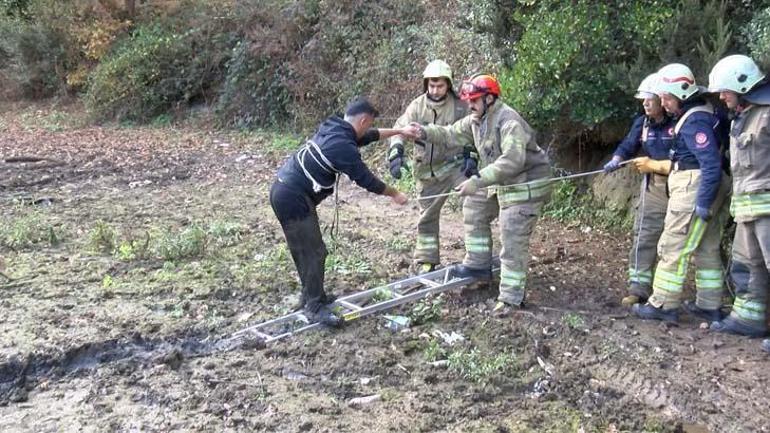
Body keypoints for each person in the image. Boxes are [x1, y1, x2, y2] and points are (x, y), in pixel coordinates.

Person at [270, 96, 419, 326]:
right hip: (292, 197)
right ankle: (315, 306)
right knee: (313, 251)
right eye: (368, 123)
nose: (368, 129)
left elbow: (370, 136)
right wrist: (394, 194)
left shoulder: (334, 127)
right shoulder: (342, 146)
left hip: (286, 191)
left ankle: (311, 295)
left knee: (307, 249)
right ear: (363, 120)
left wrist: (401, 131)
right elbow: (366, 179)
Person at [411, 74, 551, 310]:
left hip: (525, 187)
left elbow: (513, 161)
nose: (470, 104)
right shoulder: (476, 120)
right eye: (469, 100)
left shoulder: (509, 122)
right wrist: (423, 132)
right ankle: (478, 264)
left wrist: (478, 180)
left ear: (489, 99)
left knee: (511, 235)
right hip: (501, 183)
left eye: (475, 100)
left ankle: (510, 297)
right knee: (475, 205)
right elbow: (449, 134)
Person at [632, 63, 731, 323]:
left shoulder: (693, 121)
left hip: (693, 184)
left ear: (682, 94)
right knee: (707, 247)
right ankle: (709, 305)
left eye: (666, 97)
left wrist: (702, 201)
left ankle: (663, 304)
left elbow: (708, 163)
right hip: (709, 182)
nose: (662, 104)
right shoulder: (708, 112)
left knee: (673, 244)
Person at [388, 60, 472, 274]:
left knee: (474, 202)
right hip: (426, 171)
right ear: (426, 84)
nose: (435, 90)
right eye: (431, 86)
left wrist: (471, 156)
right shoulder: (417, 106)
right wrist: (396, 153)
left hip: (455, 167)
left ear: (448, 85)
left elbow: (471, 132)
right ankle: (427, 260)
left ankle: (475, 258)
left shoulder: (460, 106)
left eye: (440, 86)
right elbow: (400, 129)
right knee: (427, 217)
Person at [706, 54, 769, 339]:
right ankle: (748, 319)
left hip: (767, 209)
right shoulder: (742, 117)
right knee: (746, 266)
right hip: (747, 210)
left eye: (724, 90)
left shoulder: (766, 114)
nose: (721, 96)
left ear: (741, 85)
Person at [603, 73, 675, 306]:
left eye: (649, 99)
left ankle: (678, 297)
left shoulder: (679, 121)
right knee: (644, 234)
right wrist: (617, 159)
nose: (645, 103)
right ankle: (639, 288)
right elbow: (628, 144)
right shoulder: (642, 123)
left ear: (662, 99)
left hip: (681, 184)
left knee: (676, 242)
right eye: (642, 99)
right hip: (654, 187)